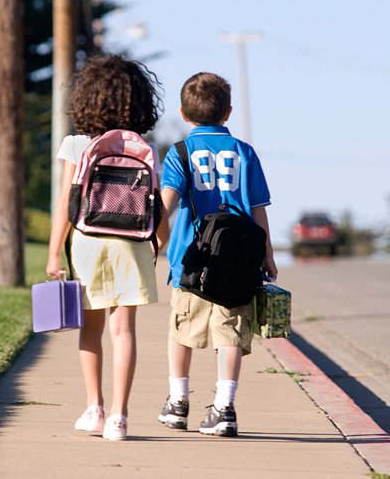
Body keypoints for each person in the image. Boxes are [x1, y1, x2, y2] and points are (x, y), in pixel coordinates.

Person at [46, 54, 162, 441]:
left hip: (88, 242)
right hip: (131, 243)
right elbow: (154, 203)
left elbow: (66, 202)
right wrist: (159, 240)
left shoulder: (78, 144)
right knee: (123, 329)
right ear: (139, 101)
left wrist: (52, 253)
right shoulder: (143, 147)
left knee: (90, 328)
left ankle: (94, 408)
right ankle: (119, 417)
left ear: (87, 99)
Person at [156, 72, 277, 437]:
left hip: (190, 261)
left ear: (183, 112)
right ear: (228, 112)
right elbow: (258, 209)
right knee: (230, 334)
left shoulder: (179, 153)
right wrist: (267, 256)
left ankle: (178, 404)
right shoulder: (244, 152)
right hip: (240, 261)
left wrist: (155, 243)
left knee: (181, 332)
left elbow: (166, 206)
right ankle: (224, 408)